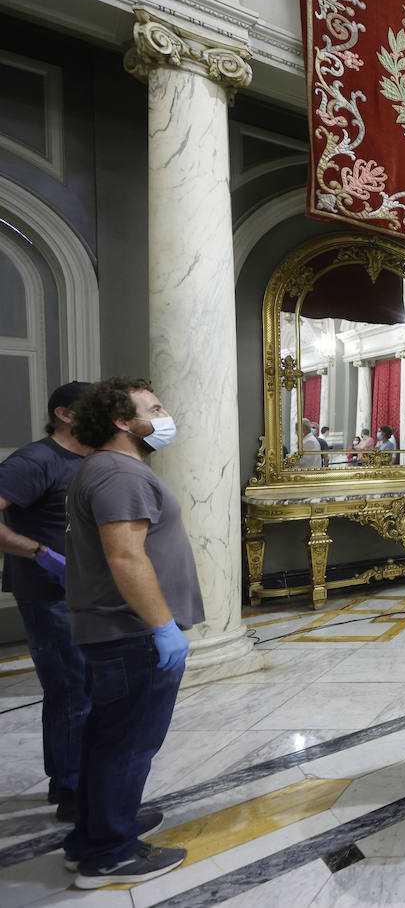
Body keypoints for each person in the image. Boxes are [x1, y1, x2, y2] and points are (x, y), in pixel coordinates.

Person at [63, 377, 203, 887]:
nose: (164, 416)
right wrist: (162, 626)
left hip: (119, 631)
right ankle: (112, 853)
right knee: (128, 745)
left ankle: (95, 834)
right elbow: (126, 556)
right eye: (155, 408)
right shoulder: (120, 473)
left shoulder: (104, 469)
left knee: (110, 738)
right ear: (124, 421)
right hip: (131, 633)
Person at [0, 382, 91, 821]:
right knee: (71, 691)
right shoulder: (34, 461)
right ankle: (73, 792)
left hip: (88, 594)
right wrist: (39, 552)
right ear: (65, 414)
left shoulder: (89, 458)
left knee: (83, 690)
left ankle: (69, 781)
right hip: (49, 594)